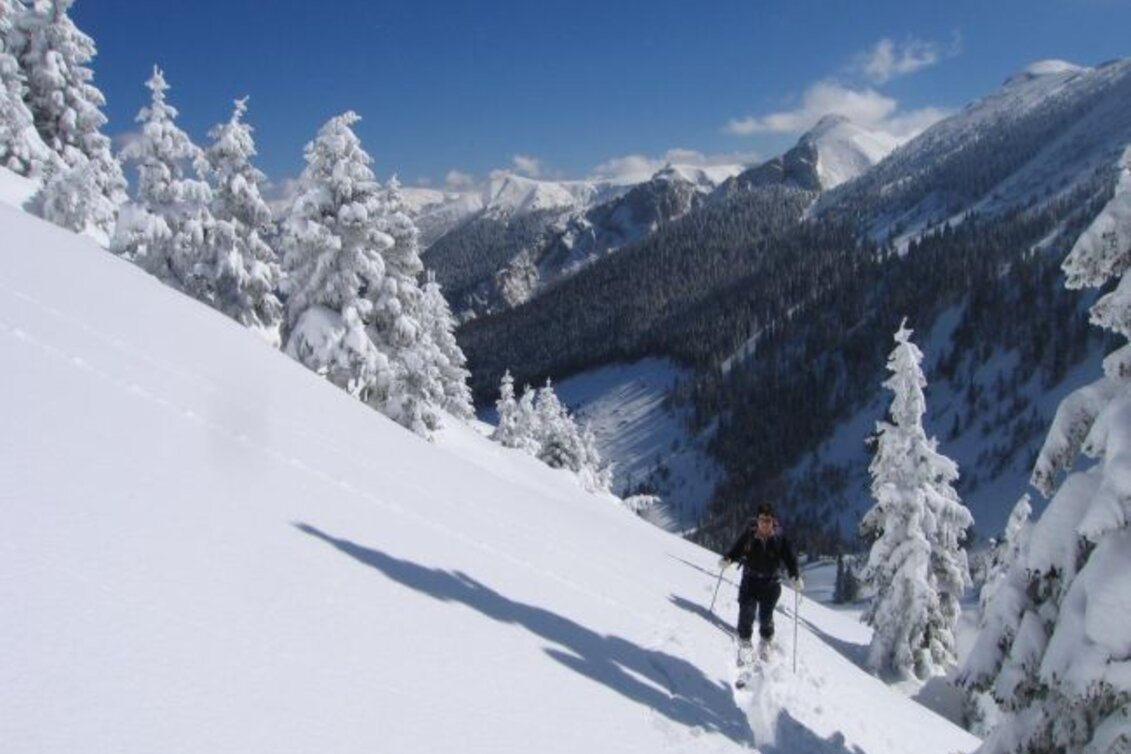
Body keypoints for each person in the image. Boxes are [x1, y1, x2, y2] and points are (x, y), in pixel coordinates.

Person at [718, 502, 802, 662]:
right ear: (757, 520)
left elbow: (790, 558)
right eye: (762, 519)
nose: (765, 523)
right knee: (747, 611)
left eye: (768, 520)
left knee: (766, 615)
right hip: (750, 580)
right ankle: (745, 643)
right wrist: (728, 559)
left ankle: (766, 641)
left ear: (773, 521)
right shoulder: (750, 535)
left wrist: (794, 576)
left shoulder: (779, 538)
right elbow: (737, 549)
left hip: (771, 583)